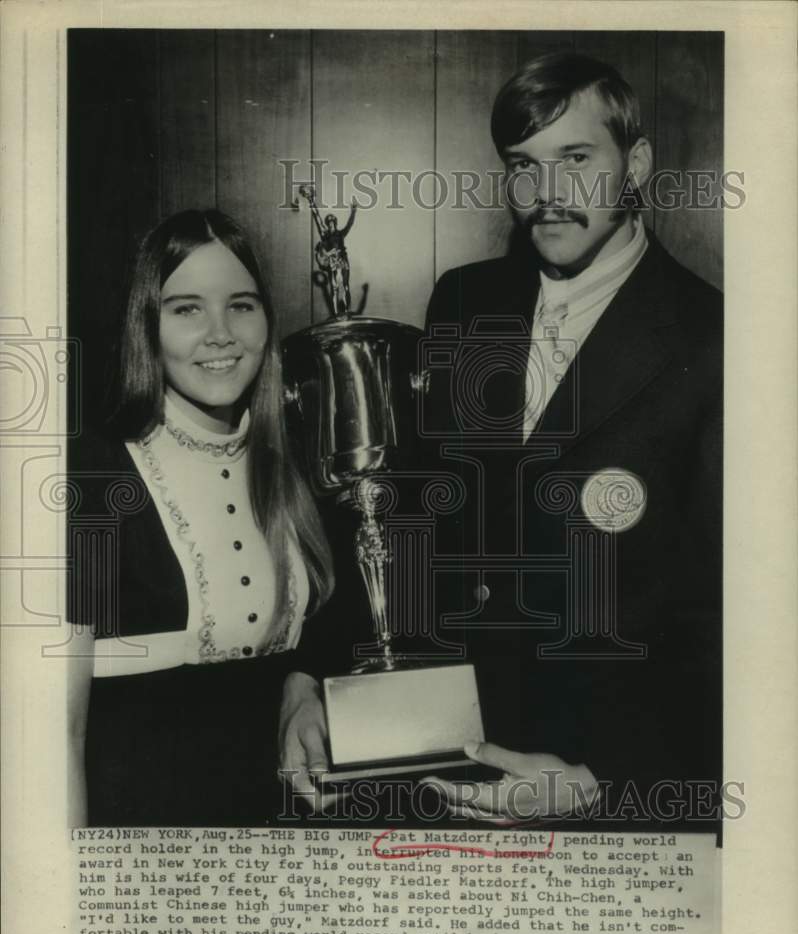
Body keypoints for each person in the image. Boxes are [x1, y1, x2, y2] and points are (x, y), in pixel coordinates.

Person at [281, 51, 722, 831]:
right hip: (441, 764)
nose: (545, 194)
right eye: (524, 166)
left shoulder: (719, 340)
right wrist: (311, 679)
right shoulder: (464, 300)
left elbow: (736, 623)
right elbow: (400, 513)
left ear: (638, 164)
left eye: (576, 159)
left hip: (609, 792)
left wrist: (602, 780)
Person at [66, 209, 334, 827]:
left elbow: (325, 630)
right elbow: (62, 734)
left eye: (241, 305)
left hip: (281, 836)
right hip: (144, 846)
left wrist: (302, 682)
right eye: (186, 309)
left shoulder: (295, 464)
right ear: (147, 326)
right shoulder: (91, 477)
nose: (221, 334)